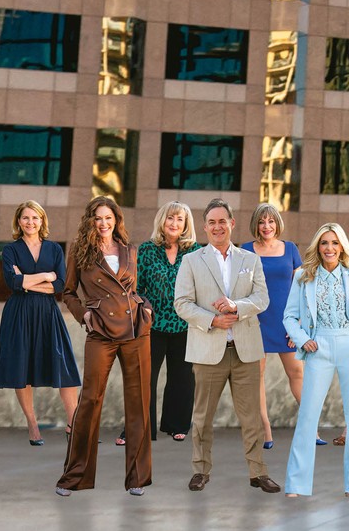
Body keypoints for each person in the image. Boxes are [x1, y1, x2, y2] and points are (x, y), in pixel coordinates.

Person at [176, 198, 277, 493]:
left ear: (232, 224)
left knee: (252, 418)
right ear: (205, 227)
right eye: (212, 222)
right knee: (202, 417)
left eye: (223, 221)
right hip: (208, 350)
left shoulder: (251, 260)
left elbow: (262, 299)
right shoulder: (191, 261)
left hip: (245, 349)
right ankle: (200, 470)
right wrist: (212, 321)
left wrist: (237, 305)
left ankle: (258, 472)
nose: (218, 226)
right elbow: (181, 303)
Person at [55, 196, 151, 496]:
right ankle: (75, 477)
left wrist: (145, 308)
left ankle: (137, 478)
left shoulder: (129, 250)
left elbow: (139, 288)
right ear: (91, 221)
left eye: (109, 218)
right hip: (100, 330)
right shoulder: (81, 251)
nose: (104, 223)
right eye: (98, 218)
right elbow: (67, 291)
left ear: (116, 220)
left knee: (139, 405)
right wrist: (84, 314)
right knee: (90, 401)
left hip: (136, 329)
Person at [281, 223, 349, 497]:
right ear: (318, 247)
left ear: (342, 247)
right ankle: (297, 484)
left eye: (335, 243)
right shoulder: (302, 277)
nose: (330, 248)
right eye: (324, 243)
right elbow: (289, 316)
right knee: (308, 415)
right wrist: (302, 339)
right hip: (318, 346)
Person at [0, 199, 80, 446]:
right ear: (18, 222)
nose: (30, 222)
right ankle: (32, 425)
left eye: (35, 217)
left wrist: (27, 280)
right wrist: (44, 275)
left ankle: (74, 424)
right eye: (25, 218)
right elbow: (13, 283)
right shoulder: (11, 250)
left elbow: (60, 285)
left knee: (64, 366)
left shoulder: (54, 249)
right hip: (18, 314)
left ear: (42, 220)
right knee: (22, 369)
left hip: (47, 313)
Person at [136, 202, 196, 443]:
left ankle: (177, 425)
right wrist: (143, 308)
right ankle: (143, 428)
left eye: (179, 219)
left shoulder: (195, 251)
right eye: (170, 218)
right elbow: (137, 287)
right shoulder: (147, 250)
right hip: (153, 325)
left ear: (185, 224)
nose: (174, 223)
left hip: (185, 324)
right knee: (145, 377)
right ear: (162, 220)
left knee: (182, 378)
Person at [248, 204, 303, 451]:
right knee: (256, 377)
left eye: (271, 221)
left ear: (277, 223)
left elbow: (302, 288)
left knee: (298, 373)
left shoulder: (290, 249)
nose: (267, 226)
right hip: (257, 321)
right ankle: (265, 429)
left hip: (286, 321)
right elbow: (240, 288)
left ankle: (310, 427)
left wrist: (299, 323)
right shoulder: (246, 250)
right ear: (256, 225)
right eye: (262, 222)